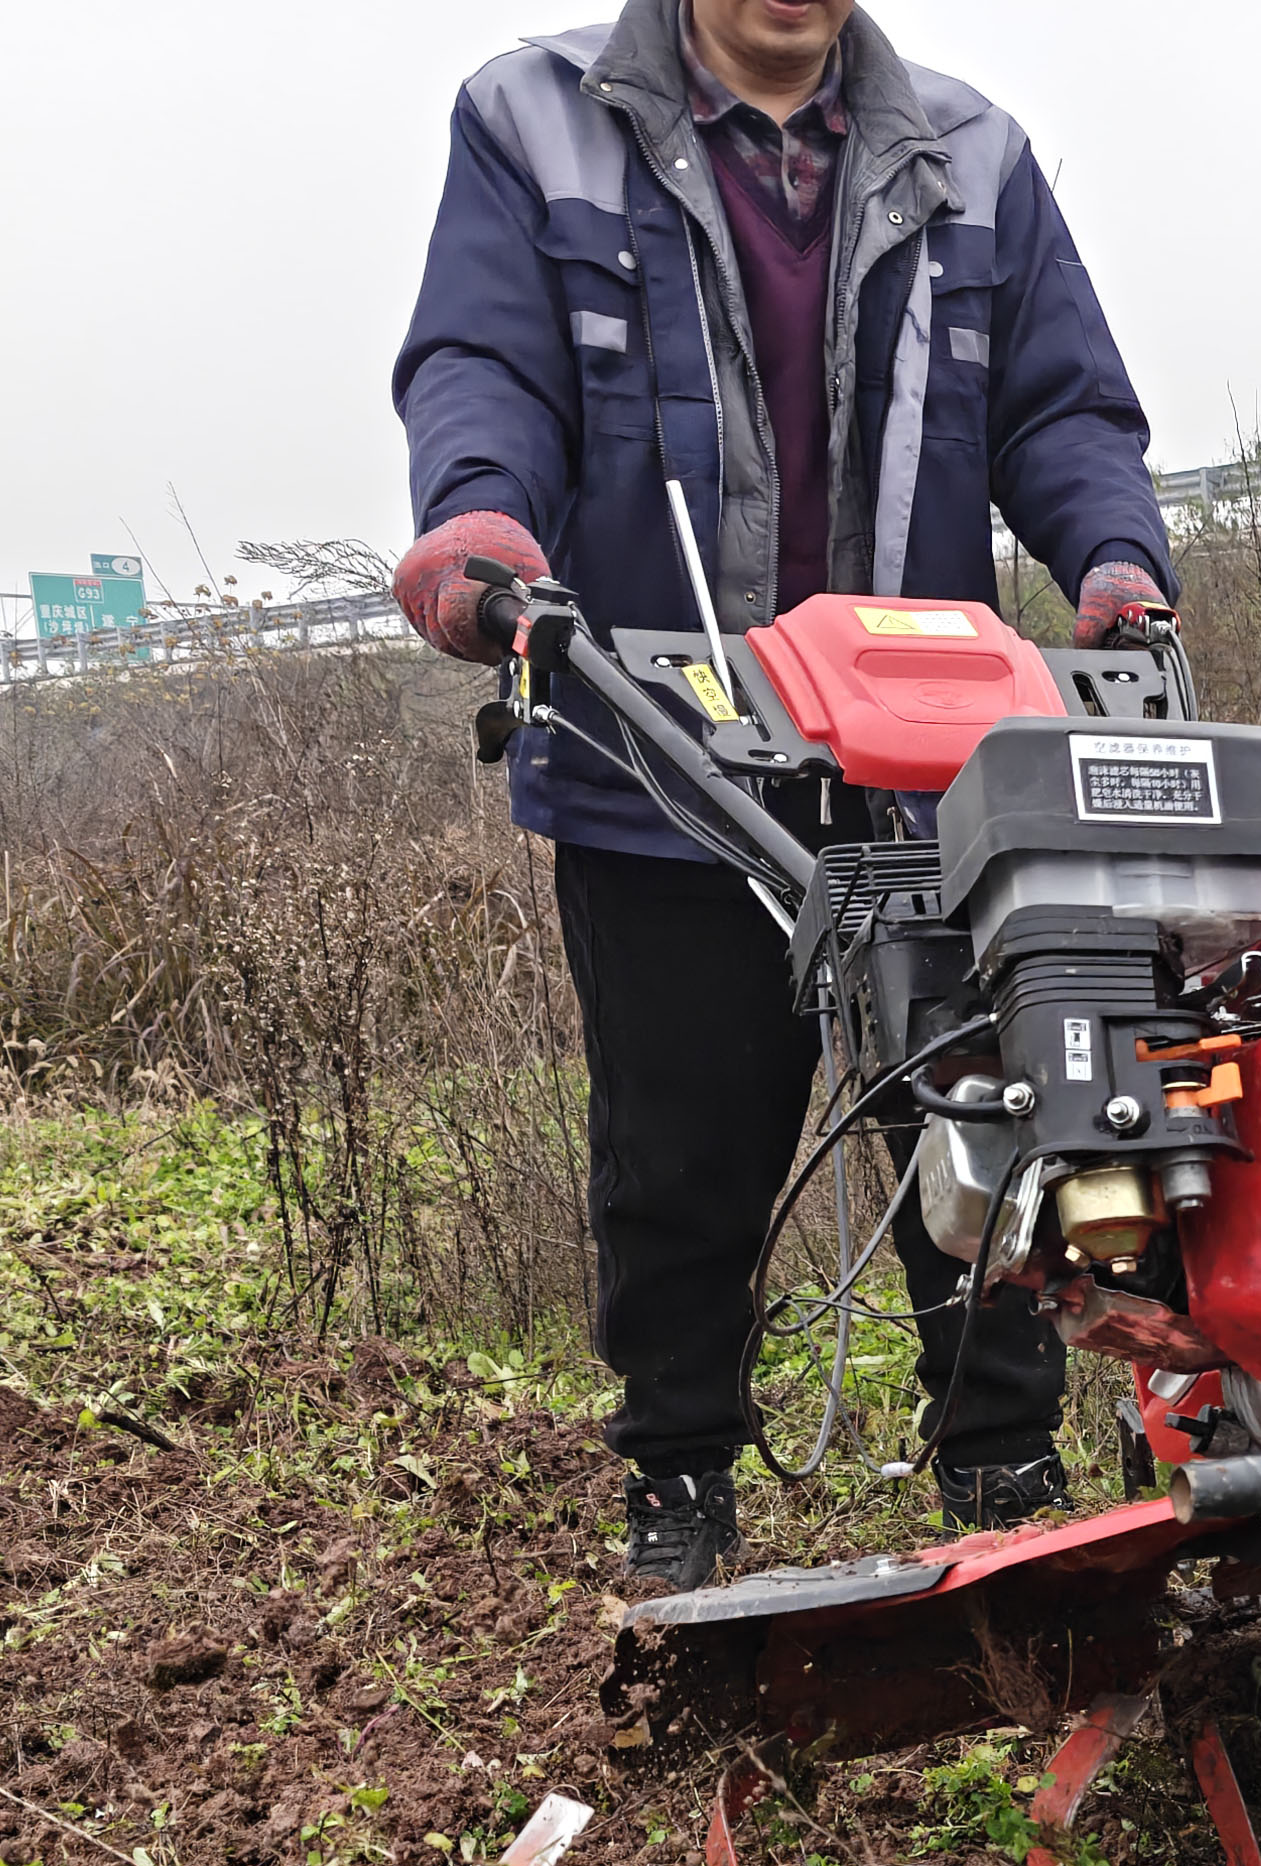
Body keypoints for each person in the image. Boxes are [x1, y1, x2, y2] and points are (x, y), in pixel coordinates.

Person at [391, 0, 1178, 1590]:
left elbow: (1060, 405)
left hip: (932, 752)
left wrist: (1110, 558)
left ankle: (1006, 1469)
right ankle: (681, 1478)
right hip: (670, 747)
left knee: (999, 1105)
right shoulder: (537, 121)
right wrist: (482, 526)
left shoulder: (975, 155)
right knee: (682, 1146)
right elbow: (484, 366)